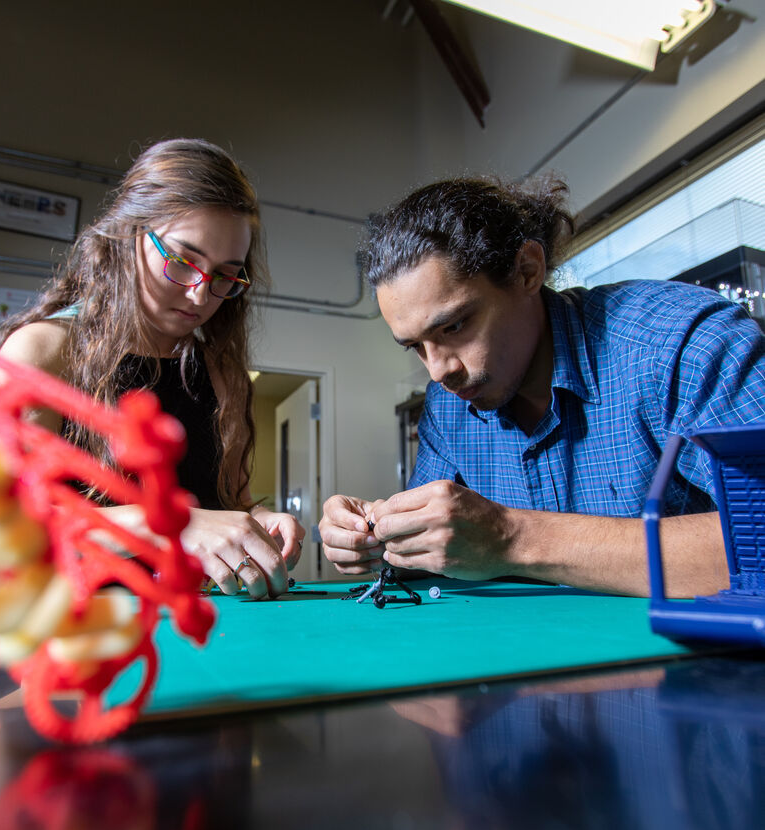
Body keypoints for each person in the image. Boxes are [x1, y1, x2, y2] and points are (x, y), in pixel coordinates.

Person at [319, 175, 765, 598]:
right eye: (415, 346)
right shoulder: (449, 405)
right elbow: (439, 548)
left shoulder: (682, 343)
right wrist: (375, 537)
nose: (438, 371)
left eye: (454, 326)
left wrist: (512, 537)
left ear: (528, 271)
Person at [0, 138, 304, 599]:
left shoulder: (223, 374)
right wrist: (165, 525)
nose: (201, 295)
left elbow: (222, 503)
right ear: (129, 237)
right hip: (80, 635)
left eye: (225, 275)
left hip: (203, 631)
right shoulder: (43, 352)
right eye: (183, 261)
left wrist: (256, 523)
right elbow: (3, 530)